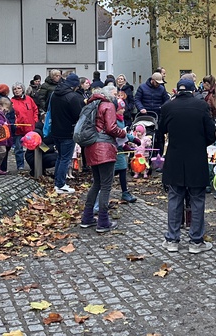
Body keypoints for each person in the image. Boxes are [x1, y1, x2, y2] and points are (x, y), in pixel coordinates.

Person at [159, 78, 216, 253]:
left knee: (174, 198)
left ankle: (172, 239)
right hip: (196, 158)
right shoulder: (201, 106)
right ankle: (196, 241)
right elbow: (211, 134)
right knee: (197, 199)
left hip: (175, 157)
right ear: (193, 91)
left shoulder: (168, 106)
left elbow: (161, 131)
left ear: (177, 91)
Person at [79, 86, 127, 233]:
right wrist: (123, 133)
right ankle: (103, 221)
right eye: (114, 94)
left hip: (90, 147)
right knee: (106, 185)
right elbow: (111, 128)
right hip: (104, 148)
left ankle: (87, 217)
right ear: (108, 95)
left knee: (96, 183)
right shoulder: (108, 105)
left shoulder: (91, 105)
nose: (116, 97)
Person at [49, 73, 85, 194]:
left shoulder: (54, 94)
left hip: (56, 130)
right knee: (65, 159)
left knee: (60, 157)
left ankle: (57, 182)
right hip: (68, 132)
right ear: (74, 85)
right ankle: (60, 184)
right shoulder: (72, 97)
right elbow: (78, 115)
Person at [135, 72, 170, 153]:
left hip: (158, 114)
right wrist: (141, 108)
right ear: (152, 80)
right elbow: (137, 99)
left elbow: (167, 100)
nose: (158, 84)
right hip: (144, 115)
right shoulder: (142, 87)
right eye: (157, 83)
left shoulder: (161, 89)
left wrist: (163, 107)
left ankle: (159, 153)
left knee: (159, 135)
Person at [11, 82, 38, 171]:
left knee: (33, 147)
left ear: (22, 89)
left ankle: (34, 165)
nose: (17, 90)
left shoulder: (29, 99)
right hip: (18, 129)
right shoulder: (12, 101)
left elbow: (35, 109)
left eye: (19, 88)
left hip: (30, 128)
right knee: (18, 149)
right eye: (15, 89)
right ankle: (20, 166)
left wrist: (35, 120)